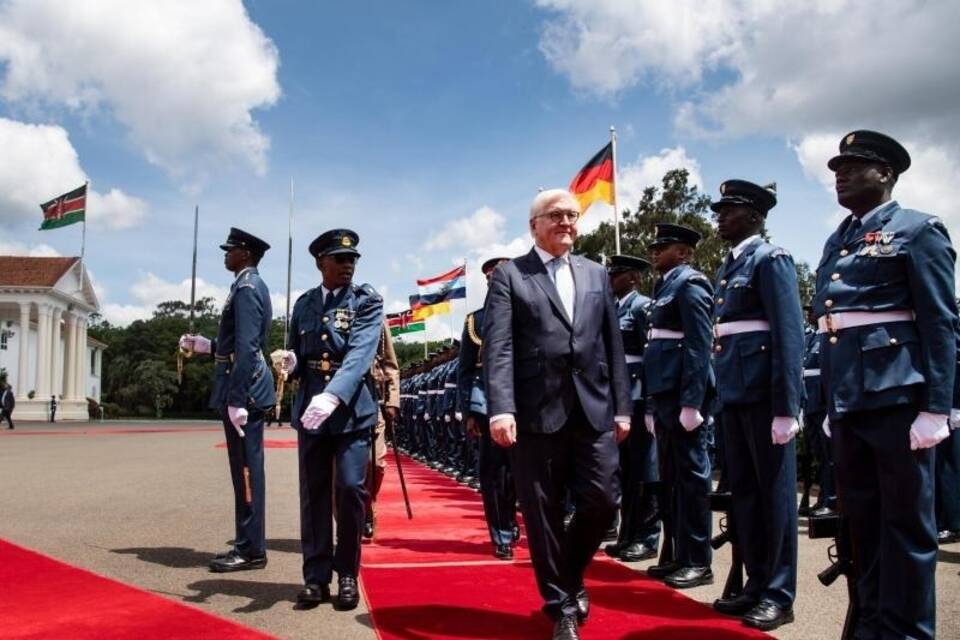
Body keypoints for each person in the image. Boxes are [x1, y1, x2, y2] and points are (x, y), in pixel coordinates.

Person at [815, 131, 957, 640]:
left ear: (887, 174)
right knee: (864, 524)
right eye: (838, 167)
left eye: (855, 165)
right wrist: (832, 400)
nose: (842, 173)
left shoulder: (918, 230)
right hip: (852, 399)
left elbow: (941, 323)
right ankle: (872, 623)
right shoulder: (840, 237)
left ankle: (909, 632)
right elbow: (833, 324)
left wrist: (937, 408)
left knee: (908, 528)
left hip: (900, 398)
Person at [483, 189, 631, 640]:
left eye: (572, 215)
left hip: (593, 409)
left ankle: (567, 574)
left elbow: (613, 346)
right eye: (556, 216)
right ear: (534, 225)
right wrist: (500, 407)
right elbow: (499, 347)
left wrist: (623, 407)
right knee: (542, 511)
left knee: (603, 500)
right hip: (534, 413)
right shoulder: (511, 275)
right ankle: (561, 605)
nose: (567, 222)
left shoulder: (595, 273)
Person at [710, 180, 803, 631]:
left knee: (777, 497)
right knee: (745, 495)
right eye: (720, 209)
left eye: (729, 209)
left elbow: (789, 335)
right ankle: (756, 582)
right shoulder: (728, 267)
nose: (720, 216)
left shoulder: (771, 259)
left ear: (754, 215)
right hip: (735, 393)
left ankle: (780, 593)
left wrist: (788, 406)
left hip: (766, 398)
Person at [279, 228, 383, 611]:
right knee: (314, 494)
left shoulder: (366, 301)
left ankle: (347, 574)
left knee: (351, 490)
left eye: (352, 259)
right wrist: (289, 365)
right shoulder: (304, 303)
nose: (348, 265)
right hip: (311, 412)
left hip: (351, 410)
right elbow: (295, 353)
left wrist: (333, 394)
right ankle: (315, 577)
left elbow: (359, 354)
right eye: (339, 259)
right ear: (320, 262)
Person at [179, 227, 275, 573]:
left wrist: (238, 399)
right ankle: (247, 541)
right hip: (242, 387)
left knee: (248, 470)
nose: (225, 254)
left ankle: (252, 549)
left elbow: (249, 348)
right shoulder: (244, 285)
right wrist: (210, 346)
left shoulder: (247, 288)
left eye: (230, 249)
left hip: (245, 391)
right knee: (242, 470)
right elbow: (238, 344)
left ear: (245, 254)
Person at [642, 226, 715, 589]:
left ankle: (699, 560)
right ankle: (677, 554)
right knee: (671, 481)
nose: (655, 252)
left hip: (682, 396)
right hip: (665, 393)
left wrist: (692, 401)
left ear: (684, 253)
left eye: (663, 247)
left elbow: (699, 345)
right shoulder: (665, 286)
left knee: (692, 480)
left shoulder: (690, 283)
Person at [458, 256, 519, 560]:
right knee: (494, 474)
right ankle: (502, 533)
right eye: (490, 278)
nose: (495, 281)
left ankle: (513, 519)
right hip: (487, 404)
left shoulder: (528, 312)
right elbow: (465, 370)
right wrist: (468, 412)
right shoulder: (475, 320)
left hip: (525, 404)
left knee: (520, 473)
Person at [603, 255, 661, 563]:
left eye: (618, 274)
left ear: (634, 278)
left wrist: (651, 403)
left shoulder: (641, 307)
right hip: (618, 399)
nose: (612, 279)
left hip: (638, 398)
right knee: (624, 472)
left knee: (645, 470)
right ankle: (627, 534)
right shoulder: (613, 309)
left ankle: (647, 537)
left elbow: (651, 358)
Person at [366, 318, 400, 540]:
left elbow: (390, 363)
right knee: (346, 471)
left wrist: (393, 401)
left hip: (373, 400)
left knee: (375, 463)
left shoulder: (376, 317)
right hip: (345, 403)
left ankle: (368, 503)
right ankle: (359, 518)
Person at [801, 305, 835, 517]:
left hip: (823, 404)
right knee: (819, 456)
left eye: (813, 311)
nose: (810, 315)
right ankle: (823, 496)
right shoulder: (811, 339)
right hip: (810, 404)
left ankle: (831, 499)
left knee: (829, 455)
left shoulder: (827, 338)